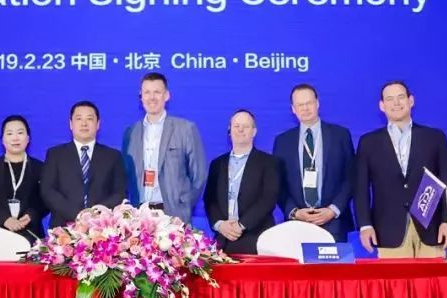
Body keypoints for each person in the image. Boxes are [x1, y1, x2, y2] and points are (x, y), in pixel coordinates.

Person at [354, 80, 447, 258]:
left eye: (401, 97)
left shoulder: (434, 137)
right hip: (387, 232)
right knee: (393, 278)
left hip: (432, 230)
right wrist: (365, 225)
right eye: (389, 99)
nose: (396, 103)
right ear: (382, 106)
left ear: (411, 101)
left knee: (432, 277)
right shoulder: (368, 142)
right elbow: (360, 188)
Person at [272, 83, 356, 242]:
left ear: (317, 103)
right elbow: (278, 184)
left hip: (335, 223)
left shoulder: (341, 135)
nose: (305, 108)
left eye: (309, 103)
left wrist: (333, 210)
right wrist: (294, 212)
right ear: (293, 109)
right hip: (297, 225)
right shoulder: (282, 141)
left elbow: (351, 177)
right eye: (300, 105)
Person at [122, 73, 207, 223]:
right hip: (139, 215)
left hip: (174, 215)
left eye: (157, 92)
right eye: (147, 92)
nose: (151, 97)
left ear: (166, 96)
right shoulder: (131, 132)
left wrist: (184, 204)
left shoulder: (185, 129)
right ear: (141, 97)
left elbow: (199, 175)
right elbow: (124, 174)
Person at [203, 109, 279, 254]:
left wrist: (241, 225)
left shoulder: (269, 163)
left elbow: (268, 199)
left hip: (256, 238)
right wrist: (220, 225)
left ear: (254, 131)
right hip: (223, 240)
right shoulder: (217, 164)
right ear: (229, 131)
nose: (240, 130)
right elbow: (209, 199)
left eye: (246, 126)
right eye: (236, 126)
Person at [41, 101, 128, 228]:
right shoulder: (55, 154)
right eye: (79, 119)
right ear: (71, 124)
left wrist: (95, 214)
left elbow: (120, 193)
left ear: (98, 124)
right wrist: (77, 215)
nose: (84, 123)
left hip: (102, 228)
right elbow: (48, 191)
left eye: (89, 119)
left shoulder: (113, 156)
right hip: (63, 227)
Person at [0, 114, 48, 240]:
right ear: (2, 139)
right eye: (9, 133)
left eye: (20, 133)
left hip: (30, 232)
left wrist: (31, 214)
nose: (15, 138)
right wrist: (4, 219)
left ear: (28, 138)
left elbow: (46, 199)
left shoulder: (41, 168)